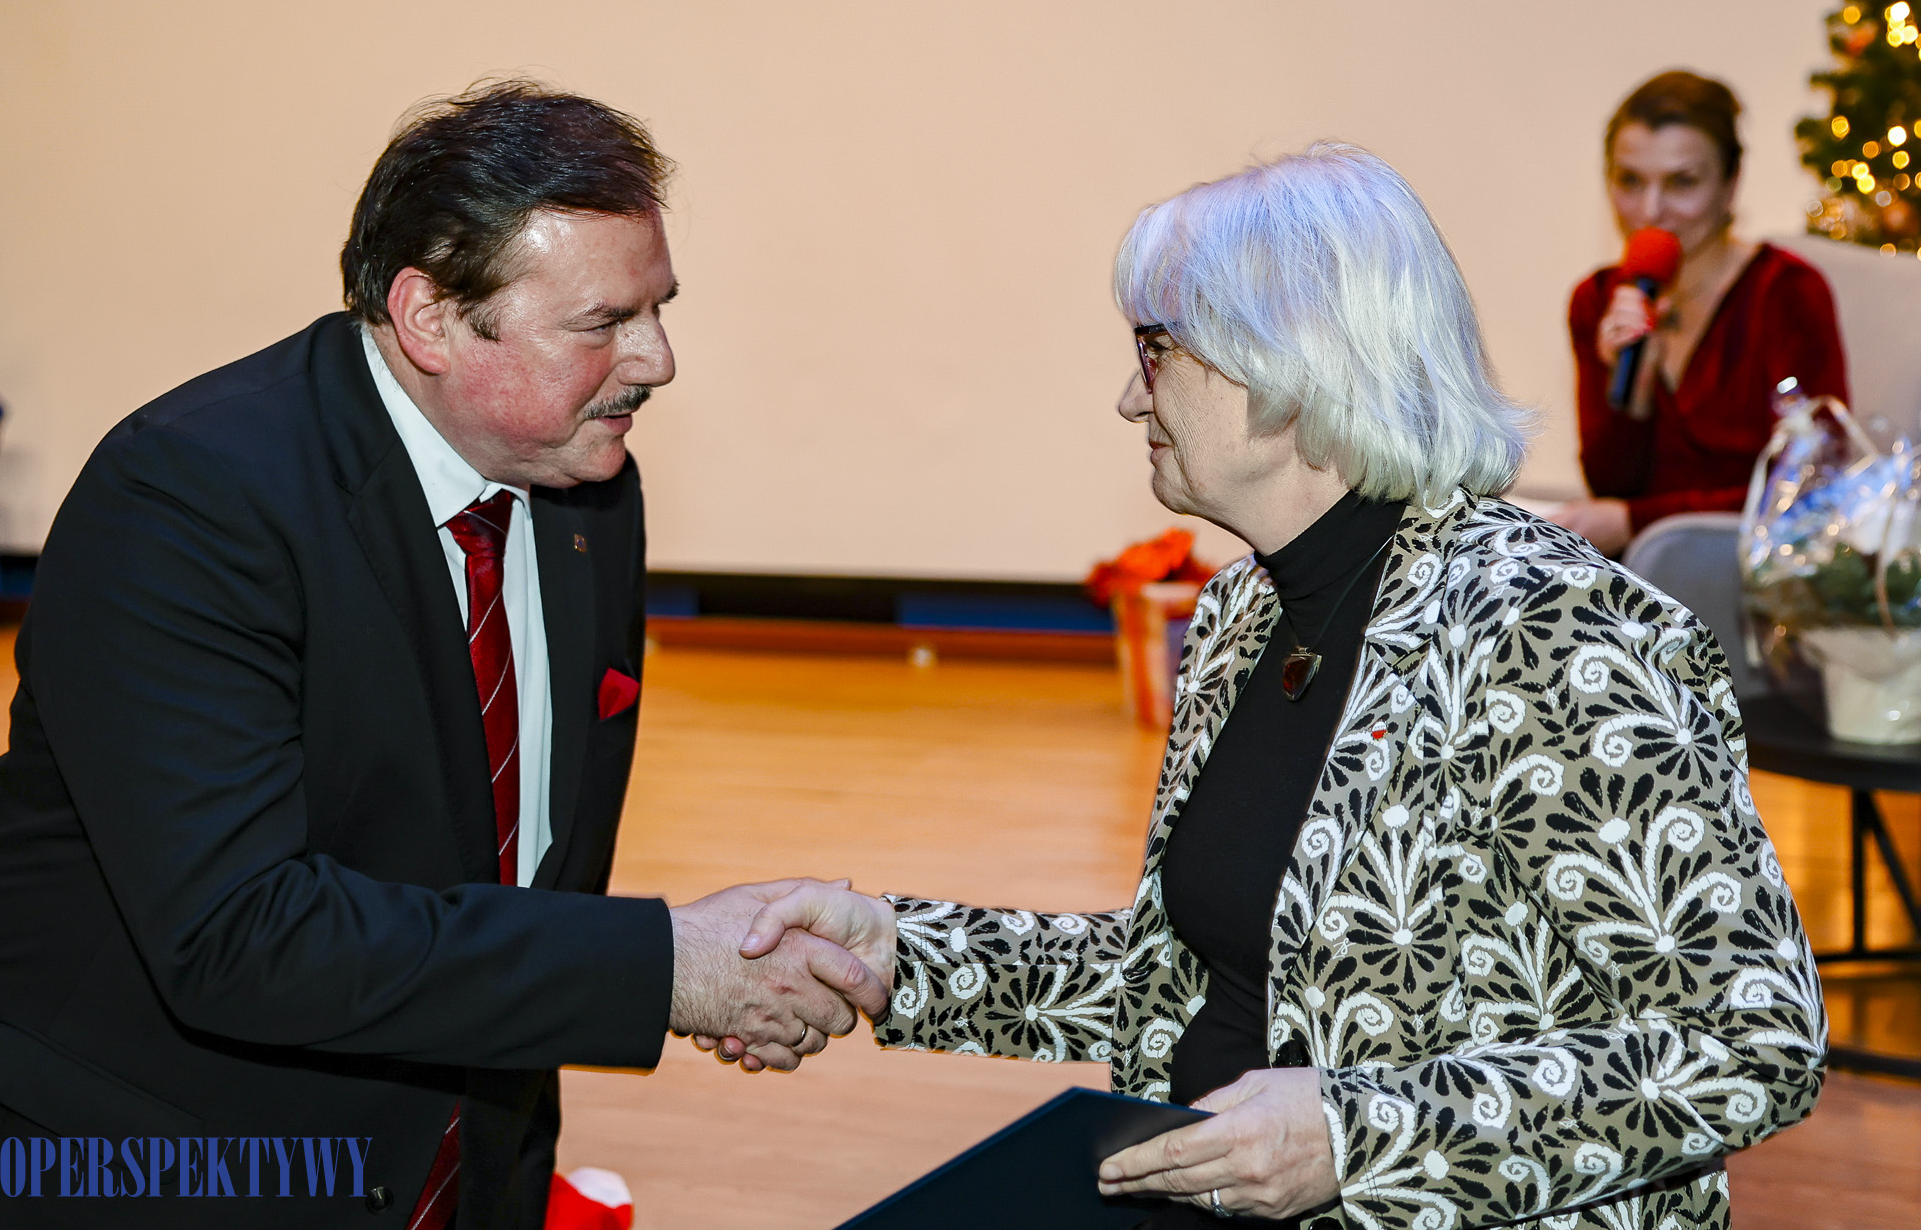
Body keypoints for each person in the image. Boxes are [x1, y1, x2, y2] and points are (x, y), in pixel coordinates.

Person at [721, 145, 1828, 1228]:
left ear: (1290, 364)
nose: (1128, 396)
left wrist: (1356, 1138)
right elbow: (1179, 977)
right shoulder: (1241, 612)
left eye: (1155, 350)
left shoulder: (1551, 627)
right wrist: (897, 954)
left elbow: (1751, 1040)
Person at [0, 81, 883, 1228]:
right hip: (104, 1159)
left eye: (659, 308)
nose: (656, 359)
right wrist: (661, 967)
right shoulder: (192, 497)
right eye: (603, 322)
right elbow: (240, 936)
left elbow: (514, 881)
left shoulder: (585, 488)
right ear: (430, 317)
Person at [1549, 70, 1849, 556]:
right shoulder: (1597, 298)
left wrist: (1636, 521)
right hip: (1641, 575)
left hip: (1751, 571)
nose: (1650, 211)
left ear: (1732, 183)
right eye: (1630, 181)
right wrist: (1633, 396)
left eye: (1682, 182)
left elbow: (1814, 483)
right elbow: (1610, 483)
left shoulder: (1786, 291)